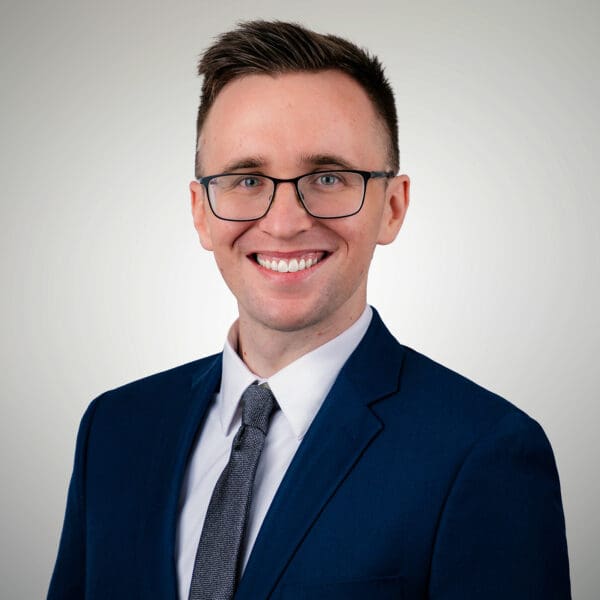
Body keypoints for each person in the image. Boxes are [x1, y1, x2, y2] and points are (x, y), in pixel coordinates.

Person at [48, 20, 571, 600]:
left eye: (327, 177)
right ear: (200, 212)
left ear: (393, 207)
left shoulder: (484, 451)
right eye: (247, 179)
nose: (284, 222)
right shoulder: (114, 429)